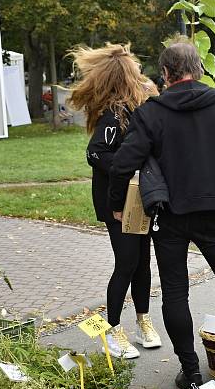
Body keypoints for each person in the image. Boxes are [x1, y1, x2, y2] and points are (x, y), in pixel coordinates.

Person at [109, 41, 215, 389]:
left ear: (164, 74)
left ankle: (190, 370)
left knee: (176, 292)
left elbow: (122, 164)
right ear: (199, 67)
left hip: (170, 216)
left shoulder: (151, 113)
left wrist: (118, 204)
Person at [68, 43, 162, 359]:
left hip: (140, 200)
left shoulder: (139, 109)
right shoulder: (114, 115)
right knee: (127, 262)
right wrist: (129, 171)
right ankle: (112, 330)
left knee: (143, 262)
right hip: (116, 202)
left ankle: (143, 321)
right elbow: (95, 153)